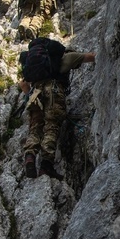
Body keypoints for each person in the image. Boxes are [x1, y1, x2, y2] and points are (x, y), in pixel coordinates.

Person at [19, 38, 96, 180]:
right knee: (51, 127)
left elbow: (23, 83)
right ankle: (46, 165)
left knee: (35, 127)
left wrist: (26, 92)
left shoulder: (35, 65)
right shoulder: (66, 58)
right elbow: (92, 57)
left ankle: (30, 156)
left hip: (35, 94)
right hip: (53, 92)